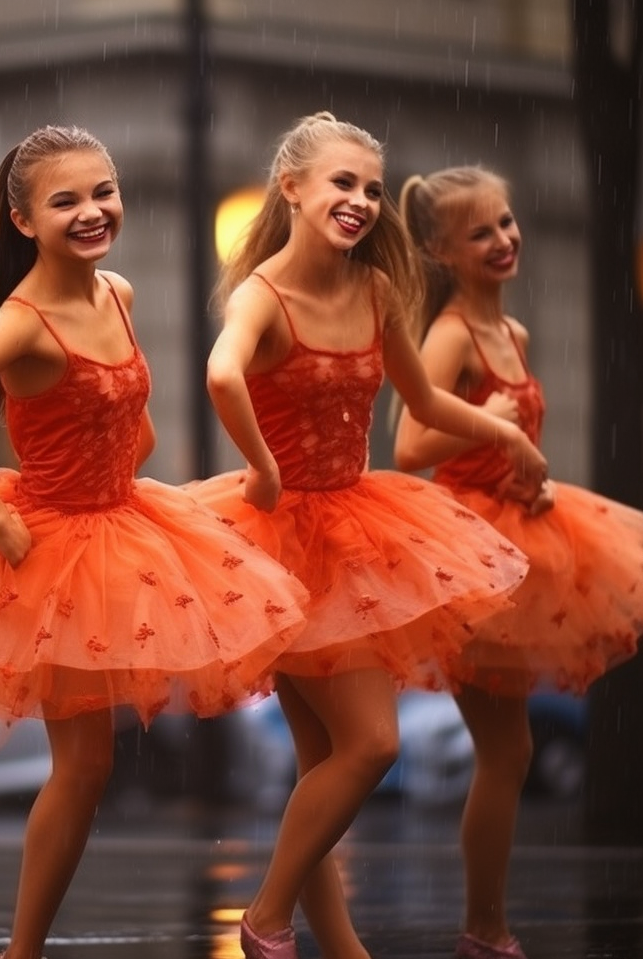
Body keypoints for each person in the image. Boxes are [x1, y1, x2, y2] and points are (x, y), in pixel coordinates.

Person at [0, 125, 312, 959]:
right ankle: (18, 950)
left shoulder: (118, 291)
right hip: (49, 546)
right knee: (81, 767)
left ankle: (25, 948)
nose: (92, 211)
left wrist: (127, 465)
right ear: (22, 221)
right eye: (66, 200)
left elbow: (131, 417)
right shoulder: (21, 321)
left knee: (88, 769)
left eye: (103, 191)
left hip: (121, 522)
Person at [188, 112, 546, 959]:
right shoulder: (260, 294)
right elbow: (221, 371)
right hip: (279, 543)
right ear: (293, 189)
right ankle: (266, 918)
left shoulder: (378, 292)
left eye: (372, 190)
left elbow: (421, 406)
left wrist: (508, 435)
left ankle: (339, 947)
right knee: (373, 744)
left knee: (326, 760)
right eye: (342, 184)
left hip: (356, 528)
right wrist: (265, 469)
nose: (358, 201)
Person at [394, 165, 643, 959]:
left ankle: (486, 926)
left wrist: (527, 476)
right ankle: (485, 928)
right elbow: (409, 446)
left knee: (512, 751)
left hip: (518, 535)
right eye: (480, 233)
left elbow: (514, 451)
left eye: (506, 223)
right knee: (507, 751)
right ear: (441, 251)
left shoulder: (517, 335)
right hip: (466, 556)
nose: (503, 240)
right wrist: (489, 421)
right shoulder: (452, 334)